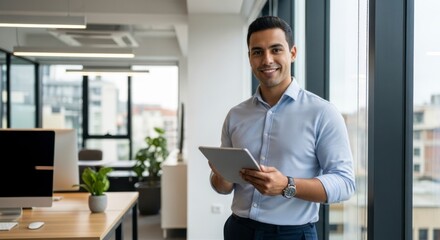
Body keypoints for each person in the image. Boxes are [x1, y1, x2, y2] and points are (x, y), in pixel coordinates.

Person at [208, 15, 356, 240]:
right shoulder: (236, 115)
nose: (267, 60)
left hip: (292, 234)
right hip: (238, 230)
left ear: (292, 53)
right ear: (249, 58)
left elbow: (345, 184)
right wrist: (220, 176)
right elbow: (223, 187)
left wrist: (288, 185)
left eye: (276, 49)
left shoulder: (322, 113)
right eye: (257, 52)